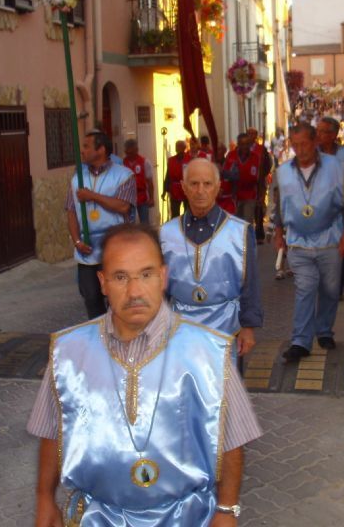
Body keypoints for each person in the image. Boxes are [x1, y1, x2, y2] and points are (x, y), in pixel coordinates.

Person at [28, 223, 261, 527]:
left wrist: (227, 509)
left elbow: (231, 438)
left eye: (146, 274)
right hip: (98, 517)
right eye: (121, 277)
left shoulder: (209, 351)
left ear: (164, 277)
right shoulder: (69, 352)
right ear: (102, 282)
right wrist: (45, 496)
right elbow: (53, 430)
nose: (135, 291)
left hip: (187, 518)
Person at [160, 158, 262, 366]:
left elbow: (250, 283)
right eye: (194, 184)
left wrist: (248, 327)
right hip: (180, 330)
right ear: (183, 188)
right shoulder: (166, 233)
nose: (200, 191)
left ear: (218, 187)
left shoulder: (239, 232)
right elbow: (158, 288)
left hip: (226, 329)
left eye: (207, 184)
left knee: (226, 394)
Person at [273, 123, 344, 361]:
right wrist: (278, 232)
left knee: (331, 290)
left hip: (330, 240)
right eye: (295, 145)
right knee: (305, 288)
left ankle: (324, 331)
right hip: (299, 242)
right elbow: (280, 206)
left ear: (315, 143)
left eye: (304, 144)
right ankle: (300, 341)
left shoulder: (335, 167)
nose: (300, 150)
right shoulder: (283, 172)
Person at [67, 131, 135, 320]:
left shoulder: (123, 175)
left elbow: (123, 206)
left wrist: (93, 196)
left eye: (87, 146)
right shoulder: (77, 178)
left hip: (115, 249)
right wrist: (77, 240)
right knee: (90, 297)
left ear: (101, 149)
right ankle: (99, 337)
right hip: (87, 251)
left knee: (118, 298)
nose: (82, 150)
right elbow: (71, 210)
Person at [317, 117, 344, 300]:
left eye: (324, 131)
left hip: (342, 204)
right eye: (317, 131)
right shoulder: (313, 153)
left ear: (333, 135)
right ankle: (332, 286)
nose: (319, 135)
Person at [223, 133, 260, 223]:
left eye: (247, 144)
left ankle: (247, 237)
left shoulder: (256, 157)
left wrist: (261, 196)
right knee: (236, 223)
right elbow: (224, 174)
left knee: (247, 223)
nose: (245, 147)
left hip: (250, 195)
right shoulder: (231, 156)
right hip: (235, 196)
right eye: (242, 144)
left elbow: (260, 178)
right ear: (238, 144)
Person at [122, 138, 155, 225]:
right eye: (127, 153)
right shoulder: (122, 163)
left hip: (142, 196)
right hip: (128, 197)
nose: (129, 155)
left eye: (131, 152)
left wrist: (151, 198)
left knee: (145, 223)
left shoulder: (145, 162)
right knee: (129, 223)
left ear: (136, 150)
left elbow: (150, 182)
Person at [162, 140, 188, 219]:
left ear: (184, 148)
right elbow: (168, 176)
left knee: (187, 213)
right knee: (175, 213)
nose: (177, 148)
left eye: (179, 146)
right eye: (176, 146)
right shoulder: (171, 160)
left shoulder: (189, 159)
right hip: (175, 190)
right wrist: (164, 190)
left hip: (186, 189)